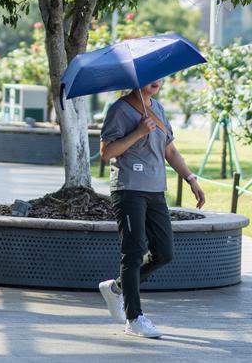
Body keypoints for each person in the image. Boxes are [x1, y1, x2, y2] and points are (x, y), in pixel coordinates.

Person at [98, 80, 206, 338]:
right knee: (134, 251)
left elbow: (169, 149)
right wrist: (136, 132)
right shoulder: (119, 110)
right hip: (129, 188)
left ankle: (116, 288)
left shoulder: (157, 108)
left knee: (164, 252)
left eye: (160, 76)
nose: (157, 81)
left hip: (156, 189)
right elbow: (106, 152)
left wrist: (190, 179)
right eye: (150, 76)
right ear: (135, 80)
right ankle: (134, 318)